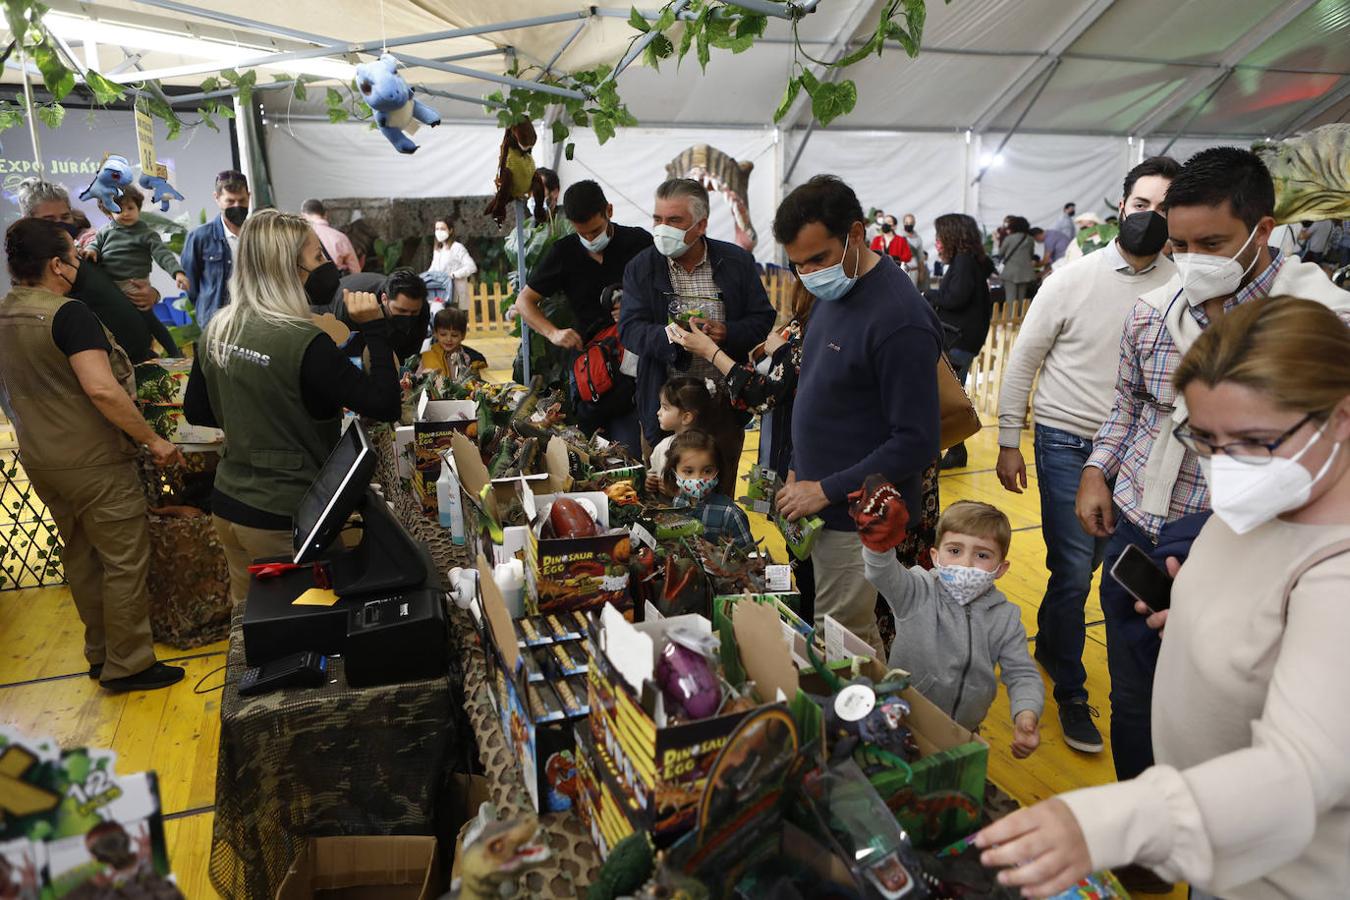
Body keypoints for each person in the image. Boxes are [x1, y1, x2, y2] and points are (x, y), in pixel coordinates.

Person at [977, 296, 1350, 900]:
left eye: (1253, 440)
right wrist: (1200, 617)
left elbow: (1301, 773)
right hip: (1218, 849)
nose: (1226, 466)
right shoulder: (1275, 495)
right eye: (1205, 440)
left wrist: (1106, 822)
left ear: (1340, 416)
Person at [1076, 146, 1350, 784]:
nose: (1192, 259)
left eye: (1212, 241)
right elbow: (1129, 403)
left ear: (1263, 229)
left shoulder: (1321, 326)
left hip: (1245, 538)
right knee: (1136, 689)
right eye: (1178, 244)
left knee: (1236, 700)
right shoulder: (1153, 313)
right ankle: (1147, 833)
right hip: (1141, 521)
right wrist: (1098, 469)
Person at [995, 155, 1180, 756]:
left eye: (1164, 208)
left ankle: (1051, 643)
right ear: (1123, 206)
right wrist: (1006, 439)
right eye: (1141, 204)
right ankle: (1071, 689)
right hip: (1066, 440)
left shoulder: (1181, 288)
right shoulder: (1072, 278)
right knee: (1075, 570)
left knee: (1111, 566)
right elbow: (1023, 359)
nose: (1150, 217)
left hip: (1140, 451)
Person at [0, 218, 185, 692]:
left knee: (81, 558)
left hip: (41, 460)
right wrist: (154, 440)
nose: (80, 267)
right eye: (75, 260)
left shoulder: (7, 314)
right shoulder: (69, 315)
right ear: (58, 266)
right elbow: (103, 391)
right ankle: (131, 665)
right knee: (124, 560)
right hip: (94, 460)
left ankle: (101, 654)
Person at [183, 210, 401, 604]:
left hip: (230, 505)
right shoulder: (303, 342)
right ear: (289, 268)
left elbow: (197, 410)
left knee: (251, 627)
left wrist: (258, 423)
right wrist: (375, 330)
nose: (328, 267)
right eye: (318, 258)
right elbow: (384, 404)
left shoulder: (219, 326)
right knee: (298, 629)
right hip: (283, 518)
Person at [769, 174, 942, 653]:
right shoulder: (833, 292)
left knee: (844, 642)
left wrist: (823, 489)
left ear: (857, 235)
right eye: (797, 264)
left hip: (855, 517)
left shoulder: (898, 318)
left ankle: (869, 725)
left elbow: (916, 440)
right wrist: (798, 467)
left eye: (819, 259)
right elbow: (827, 392)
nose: (808, 274)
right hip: (815, 500)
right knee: (827, 628)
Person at [619, 177, 774, 477]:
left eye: (674, 220)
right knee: (665, 497)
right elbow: (629, 329)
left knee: (720, 493)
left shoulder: (736, 262)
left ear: (701, 225)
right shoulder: (642, 266)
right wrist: (669, 337)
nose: (662, 228)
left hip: (722, 407)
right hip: (667, 411)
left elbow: (762, 318)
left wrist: (727, 333)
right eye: (657, 219)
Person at [862, 499, 1042, 749]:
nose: (966, 564)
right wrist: (877, 539)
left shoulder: (1006, 617)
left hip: (962, 732)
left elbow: (1022, 673)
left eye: (982, 555)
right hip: (901, 723)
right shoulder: (916, 592)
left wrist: (1026, 714)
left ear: (1000, 569)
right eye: (955, 551)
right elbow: (880, 571)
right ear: (935, 556)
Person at [516, 180, 653, 455]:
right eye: (583, 234)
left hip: (635, 359)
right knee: (592, 447)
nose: (590, 240)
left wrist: (635, 309)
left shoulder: (639, 242)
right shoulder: (565, 252)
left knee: (632, 446)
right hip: (590, 366)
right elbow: (524, 301)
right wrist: (553, 332)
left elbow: (664, 291)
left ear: (609, 211)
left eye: (595, 231)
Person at [16, 178, 157, 363]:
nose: (60, 225)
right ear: (28, 222)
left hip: (137, 361)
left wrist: (151, 294)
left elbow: (120, 280)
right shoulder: (38, 273)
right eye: (48, 220)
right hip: (108, 370)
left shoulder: (87, 252)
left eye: (65, 217)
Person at [928, 212, 995, 471]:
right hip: (961, 339)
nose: (937, 242)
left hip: (958, 339)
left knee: (944, 398)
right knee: (949, 396)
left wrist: (929, 294)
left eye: (940, 236)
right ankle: (955, 451)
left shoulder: (965, 262)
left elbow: (955, 298)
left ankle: (940, 452)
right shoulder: (970, 261)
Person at [86, 183, 185, 357]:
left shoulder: (146, 234)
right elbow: (95, 245)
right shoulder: (104, 232)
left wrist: (177, 273)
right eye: (118, 210)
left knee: (149, 319)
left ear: (138, 208)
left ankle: (174, 352)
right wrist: (92, 251)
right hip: (110, 286)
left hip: (134, 284)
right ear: (109, 214)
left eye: (130, 208)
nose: (125, 213)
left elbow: (163, 255)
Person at [662, 428, 754, 550]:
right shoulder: (678, 501)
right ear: (674, 471)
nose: (698, 479)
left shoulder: (731, 514)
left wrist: (717, 552)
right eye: (688, 471)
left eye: (707, 471)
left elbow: (749, 557)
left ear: (718, 470)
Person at [181, 169, 250, 328]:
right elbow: (191, 284)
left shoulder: (257, 235)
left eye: (242, 200)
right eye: (230, 201)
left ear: (249, 197)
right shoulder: (200, 237)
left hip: (252, 319)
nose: (237, 206)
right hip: (215, 322)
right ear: (217, 198)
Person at [645, 375, 728, 496]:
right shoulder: (662, 446)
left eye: (665, 408)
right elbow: (654, 473)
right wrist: (650, 482)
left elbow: (712, 488)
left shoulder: (707, 449)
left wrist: (676, 492)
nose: (658, 412)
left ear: (686, 417)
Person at [332, 267, 430, 364]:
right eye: (401, 310)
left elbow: (411, 352)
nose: (407, 317)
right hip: (329, 311)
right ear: (384, 299)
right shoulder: (356, 306)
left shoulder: (422, 309)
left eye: (414, 312)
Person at [422, 219, 477, 309]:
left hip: (456, 294)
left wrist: (453, 275)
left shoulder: (457, 247)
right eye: (437, 229)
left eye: (442, 229)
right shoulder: (438, 250)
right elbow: (433, 269)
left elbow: (471, 267)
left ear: (450, 230)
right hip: (441, 295)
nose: (439, 232)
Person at [420, 306, 485, 378]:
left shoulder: (470, 358)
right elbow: (417, 381)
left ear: (463, 335)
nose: (449, 339)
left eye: (454, 335)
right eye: (443, 334)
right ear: (435, 333)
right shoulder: (427, 357)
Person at [300, 199, 360, 274]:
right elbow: (355, 270)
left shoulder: (300, 236)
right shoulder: (340, 237)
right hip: (337, 282)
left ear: (303, 216)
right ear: (325, 215)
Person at [998, 216, 1036, 301]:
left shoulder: (1009, 238)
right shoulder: (1030, 239)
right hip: (1025, 272)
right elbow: (1031, 254)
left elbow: (1001, 253)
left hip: (1010, 272)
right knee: (1021, 299)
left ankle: (1010, 314)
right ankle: (1020, 314)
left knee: (1010, 298)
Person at [901, 213, 927, 288]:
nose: (909, 225)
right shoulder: (899, 236)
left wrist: (921, 272)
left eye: (911, 223)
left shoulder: (918, 238)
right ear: (903, 223)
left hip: (914, 270)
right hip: (901, 269)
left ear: (914, 223)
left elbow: (920, 256)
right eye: (907, 223)